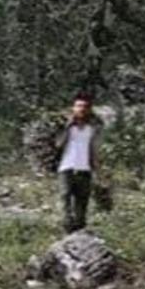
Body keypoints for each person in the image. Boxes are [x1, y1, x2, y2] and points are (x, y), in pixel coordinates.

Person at [55, 90, 101, 233]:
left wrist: (98, 170)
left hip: (84, 169)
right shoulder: (67, 127)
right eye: (78, 106)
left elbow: (93, 150)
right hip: (66, 167)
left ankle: (80, 229)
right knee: (65, 197)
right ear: (73, 108)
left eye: (84, 106)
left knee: (82, 201)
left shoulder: (91, 129)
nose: (81, 109)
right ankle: (67, 227)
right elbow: (58, 144)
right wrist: (67, 127)